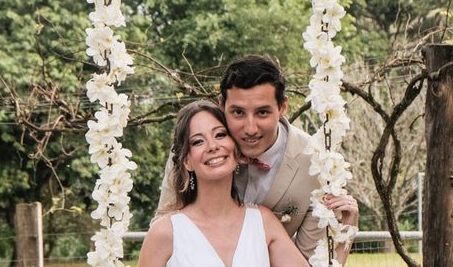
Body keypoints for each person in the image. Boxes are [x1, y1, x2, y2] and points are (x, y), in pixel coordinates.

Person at [155, 55, 358, 262]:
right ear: (222, 104)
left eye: (262, 112)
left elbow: (311, 261)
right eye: (238, 112)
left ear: (282, 108)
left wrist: (346, 233)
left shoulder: (315, 164)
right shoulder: (191, 151)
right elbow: (165, 230)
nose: (250, 129)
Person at [139, 100, 308, 266]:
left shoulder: (263, 221)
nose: (212, 146)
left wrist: (335, 214)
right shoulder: (165, 232)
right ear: (187, 161)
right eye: (198, 141)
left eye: (220, 134)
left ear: (236, 148)